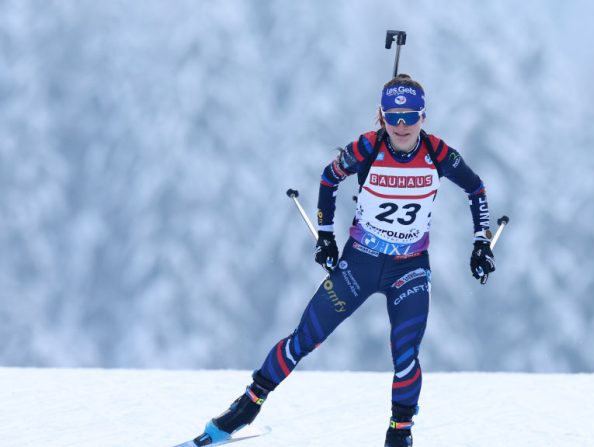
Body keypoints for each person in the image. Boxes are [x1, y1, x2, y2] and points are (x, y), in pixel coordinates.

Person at [190, 74, 496, 447]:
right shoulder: (367, 147)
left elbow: (475, 188)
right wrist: (326, 236)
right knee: (304, 339)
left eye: (410, 116)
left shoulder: (437, 153)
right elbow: (329, 179)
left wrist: (481, 242)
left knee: (405, 356)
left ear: (423, 116)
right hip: (360, 265)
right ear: (381, 116)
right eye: (393, 116)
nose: (402, 125)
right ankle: (246, 406)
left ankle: (400, 434)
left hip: (409, 269)